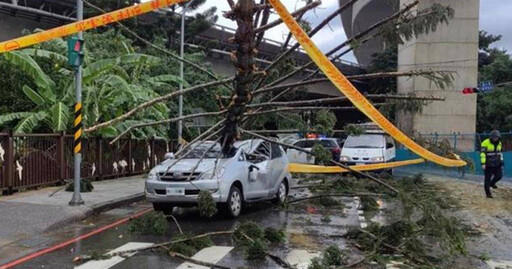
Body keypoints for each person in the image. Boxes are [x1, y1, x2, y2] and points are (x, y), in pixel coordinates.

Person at [480, 130, 504, 198]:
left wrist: (501, 161)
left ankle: (492, 183)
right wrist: (483, 163)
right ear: (491, 137)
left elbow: (500, 153)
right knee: (487, 179)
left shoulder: (499, 143)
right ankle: (488, 194)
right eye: (494, 137)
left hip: (497, 163)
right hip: (488, 164)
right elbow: (482, 154)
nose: (495, 138)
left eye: (497, 137)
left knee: (499, 176)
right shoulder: (485, 143)